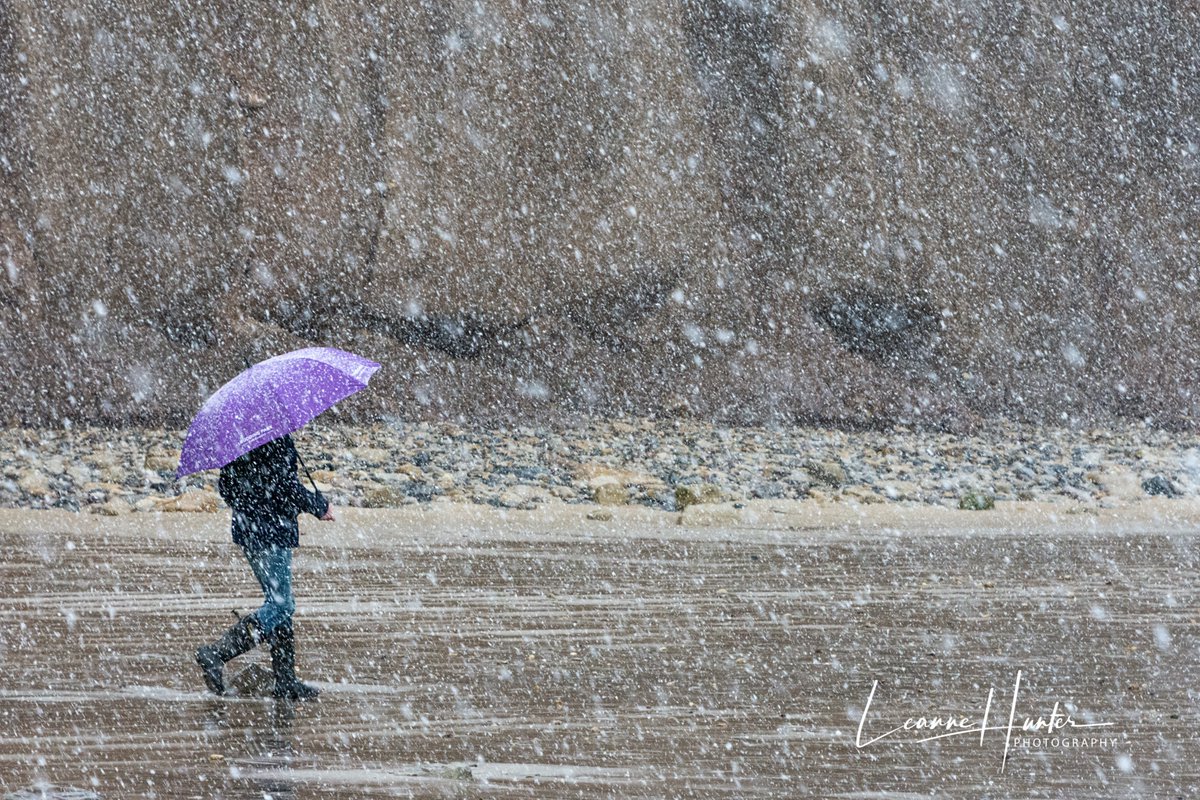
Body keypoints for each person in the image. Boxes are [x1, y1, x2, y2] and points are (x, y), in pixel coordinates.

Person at [196, 433, 333, 699]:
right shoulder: (277, 439)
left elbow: (227, 489)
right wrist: (319, 505)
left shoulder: (237, 440)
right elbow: (285, 489)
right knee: (282, 605)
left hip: (249, 530)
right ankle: (217, 653)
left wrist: (250, 507)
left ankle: (285, 681)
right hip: (272, 532)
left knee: (277, 603)